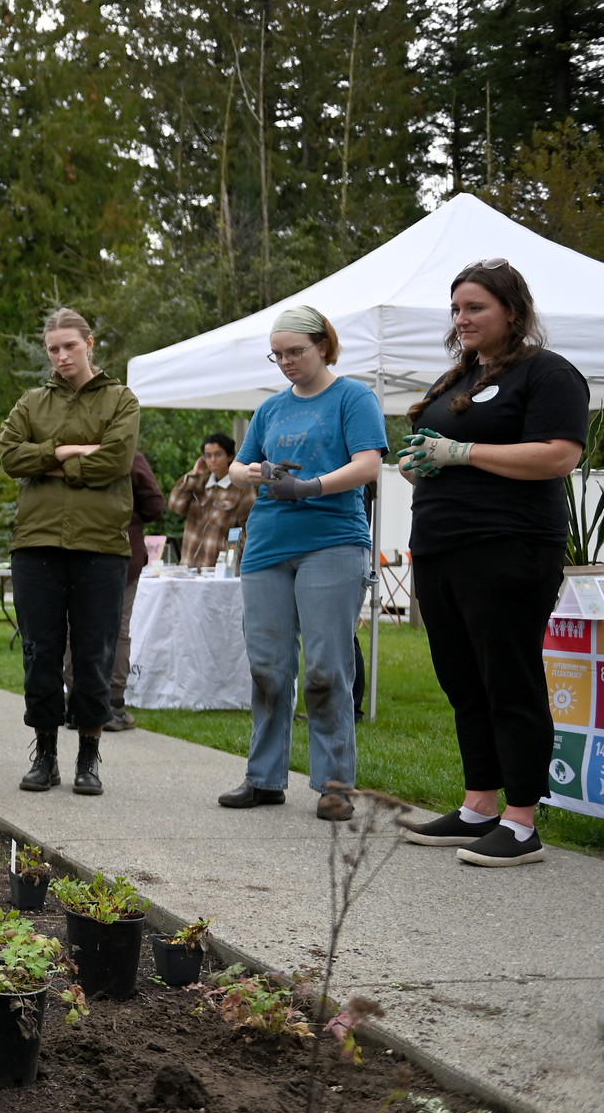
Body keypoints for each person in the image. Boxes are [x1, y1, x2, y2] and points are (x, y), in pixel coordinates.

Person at [397, 261, 586, 866]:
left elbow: (559, 456)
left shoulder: (548, 373)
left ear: (512, 309)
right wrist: (421, 461)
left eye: (475, 307)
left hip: (507, 546)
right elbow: (436, 449)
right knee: (463, 680)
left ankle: (523, 820)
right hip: (440, 545)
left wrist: (464, 451)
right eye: (456, 309)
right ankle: (479, 804)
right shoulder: (461, 377)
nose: (462, 318)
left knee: (508, 678)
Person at [214, 305, 387, 820]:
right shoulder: (270, 409)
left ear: (323, 346)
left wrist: (310, 486)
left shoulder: (353, 397)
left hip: (332, 542)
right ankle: (264, 778)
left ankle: (336, 784)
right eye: (279, 354)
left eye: (296, 352)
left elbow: (368, 464)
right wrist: (260, 472)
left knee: (325, 668)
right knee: (267, 665)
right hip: (267, 545)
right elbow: (239, 467)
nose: (286, 362)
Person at [0, 307, 140, 797]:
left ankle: (88, 758)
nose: (61, 356)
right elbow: (10, 456)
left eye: (69, 346)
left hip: (100, 546)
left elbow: (117, 460)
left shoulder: (121, 400)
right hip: (36, 544)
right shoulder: (31, 401)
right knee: (39, 653)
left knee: (93, 656)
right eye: (53, 349)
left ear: (90, 343)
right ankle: (45, 756)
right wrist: (65, 452)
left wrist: (51, 462)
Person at [67, 450, 165, 731]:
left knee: (76, 628)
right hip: (121, 550)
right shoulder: (128, 456)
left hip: (75, 549)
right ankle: (113, 705)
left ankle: (77, 703)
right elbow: (156, 505)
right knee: (117, 630)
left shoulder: (68, 452)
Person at [168, 434, 255, 570]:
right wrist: (194, 474)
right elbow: (175, 506)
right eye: (208, 455)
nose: (212, 460)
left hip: (219, 570)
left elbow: (250, 530)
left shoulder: (242, 489)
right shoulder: (198, 483)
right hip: (188, 568)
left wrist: (232, 558)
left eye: (218, 454)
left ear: (230, 457)